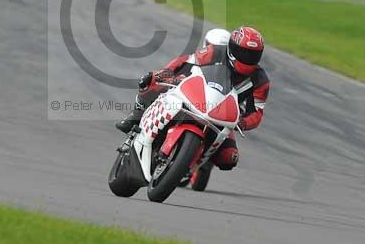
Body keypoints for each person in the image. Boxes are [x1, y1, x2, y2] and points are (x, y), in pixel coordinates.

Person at [115, 26, 271, 177]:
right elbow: (185, 61)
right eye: (243, 52)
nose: (247, 58)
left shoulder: (261, 80)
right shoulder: (215, 51)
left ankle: (198, 163)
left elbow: (257, 112)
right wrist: (167, 73)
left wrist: (243, 122)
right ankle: (136, 115)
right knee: (150, 80)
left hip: (221, 115)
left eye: (252, 55)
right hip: (195, 94)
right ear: (232, 48)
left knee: (229, 158)